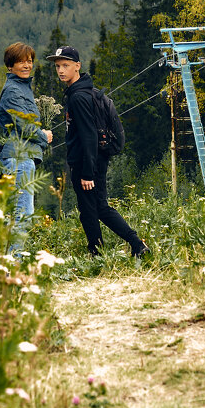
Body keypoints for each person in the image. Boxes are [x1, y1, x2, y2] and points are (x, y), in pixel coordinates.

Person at [47, 45, 149, 258]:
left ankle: (114, 248)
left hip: (87, 162)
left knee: (95, 209)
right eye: (58, 66)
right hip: (92, 160)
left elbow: (89, 136)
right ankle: (112, 248)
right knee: (93, 209)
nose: (61, 70)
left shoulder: (78, 97)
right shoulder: (81, 92)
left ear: (78, 66)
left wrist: (86, 172)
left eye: (65, 65)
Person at [0, 42, 53, 237]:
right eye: (21, 62)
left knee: (16, 215)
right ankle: (15, 264)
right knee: (22, 216)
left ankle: (9, 262)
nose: (27, 65)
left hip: (21, 158)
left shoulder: (21, 87)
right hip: (18, 158)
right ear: (10, 66)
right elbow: (24, 125)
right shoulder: (13, 90)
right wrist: (43, 136)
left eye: (29, 61)